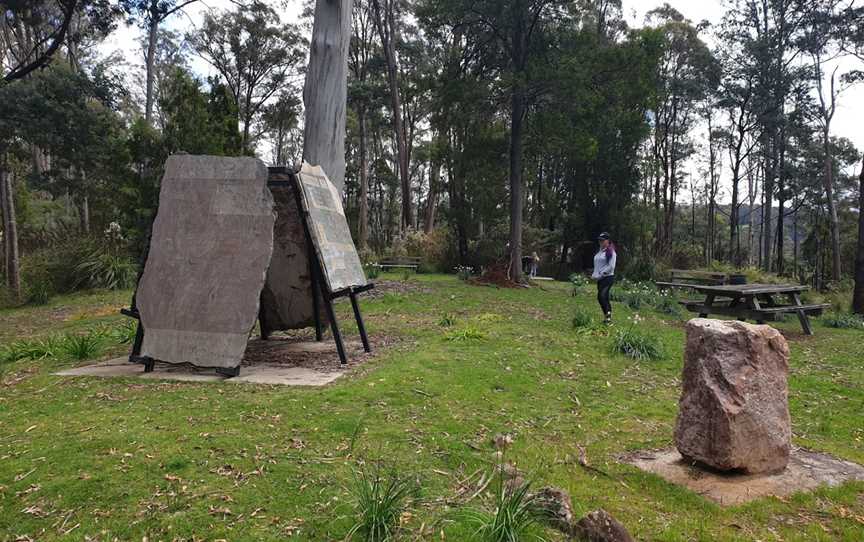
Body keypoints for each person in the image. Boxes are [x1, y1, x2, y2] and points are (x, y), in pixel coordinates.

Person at [591, 232, 616, 324]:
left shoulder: (611, 252)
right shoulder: (599, 252)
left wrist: (601, 274)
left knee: (601, 296)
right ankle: (607, 317)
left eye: (602, 240)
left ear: (608, 241)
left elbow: (611, 266)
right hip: (599, 279)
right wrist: (594, 274)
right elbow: (597, 265)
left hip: (608, 278)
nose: (600, 242)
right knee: (603, 298)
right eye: (599, 240)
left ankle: (608, 319)